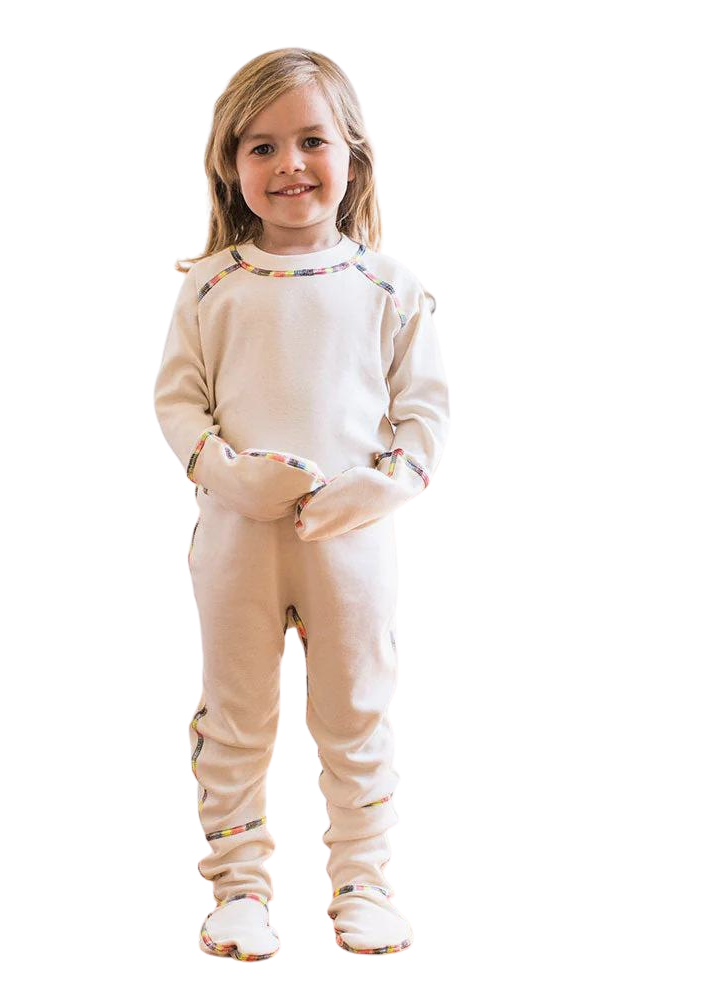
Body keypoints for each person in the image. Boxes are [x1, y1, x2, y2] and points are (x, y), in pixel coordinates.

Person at [152, 46, 451, 960]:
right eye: (262, 146)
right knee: (237, 709)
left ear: (352, 154)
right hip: (238, 536)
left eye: (311, 141)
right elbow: (177, 399)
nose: (289, 166)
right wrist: (229, 474)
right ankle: (239, 885)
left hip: (352, 542)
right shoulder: (209, 285)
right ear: (228, 166)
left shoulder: (388, 288)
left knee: (357, 709)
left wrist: (379, 486)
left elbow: (425, 415)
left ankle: (362, 879)